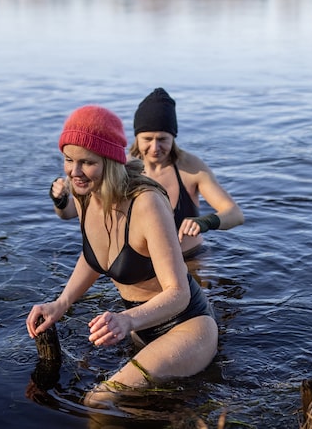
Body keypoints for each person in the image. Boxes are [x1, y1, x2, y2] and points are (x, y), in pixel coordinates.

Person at [28, 105, 218, 408]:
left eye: (87, 162)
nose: (74, 172)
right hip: (140, 328)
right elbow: (94, 257)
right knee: (142, 411)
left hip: (186, 326)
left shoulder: (146, 203)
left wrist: (125, 320)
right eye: (68, 160)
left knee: (99, 400)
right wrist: (60, 303)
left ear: (110, 161)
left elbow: (179, 293)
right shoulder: (84, 193)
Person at [51, 88, 244, 259]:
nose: (154, 147)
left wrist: (205, 222)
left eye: (162, 139)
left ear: (173, 137)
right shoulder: (120, 168)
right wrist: (60, 200)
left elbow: (235, 214)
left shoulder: (191, 167)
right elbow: (70, 213)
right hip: (140, 266)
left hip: (191, 258)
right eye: (147, 139)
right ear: (136, 137)